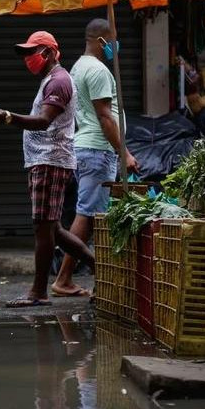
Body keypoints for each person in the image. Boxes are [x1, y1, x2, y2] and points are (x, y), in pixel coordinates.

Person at [0, 31, 96, 308]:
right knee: (54, 229)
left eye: (32, 53)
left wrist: (9, 118)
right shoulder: (51, 80)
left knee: (43, 229)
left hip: (50, 161)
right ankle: (102, 269)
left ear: (48, 52)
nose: (28, 59)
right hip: (44, 161)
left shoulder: (59, 81)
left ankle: (38, 292)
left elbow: (44, 120)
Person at [52, 19, 139, 297]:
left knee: (89, 214)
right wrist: (122, 152)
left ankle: (67, 277)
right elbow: (105, 117)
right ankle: (65, 279)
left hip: (88, 149)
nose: (117, 45)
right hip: (97, 150)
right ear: (102, 40)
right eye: (113, 39)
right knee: (89, 215)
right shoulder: (98, 70)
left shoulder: (79, 66)